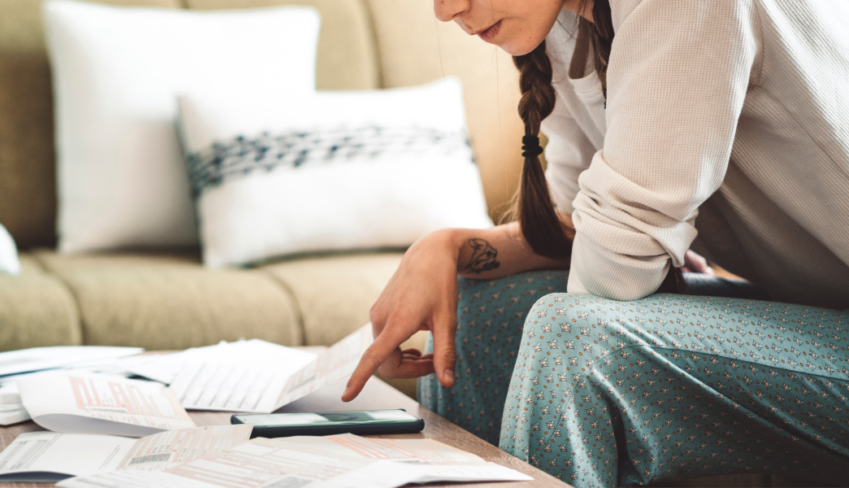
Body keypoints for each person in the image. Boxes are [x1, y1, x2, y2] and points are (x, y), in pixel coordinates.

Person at [341, 0, 849, 486]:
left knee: (572, 338)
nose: (444, 9)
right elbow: (581, 223)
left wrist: (633, 245)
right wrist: (449, 247)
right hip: (815, 313)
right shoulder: (567, 22)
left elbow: (615, 271)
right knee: (482, 311)